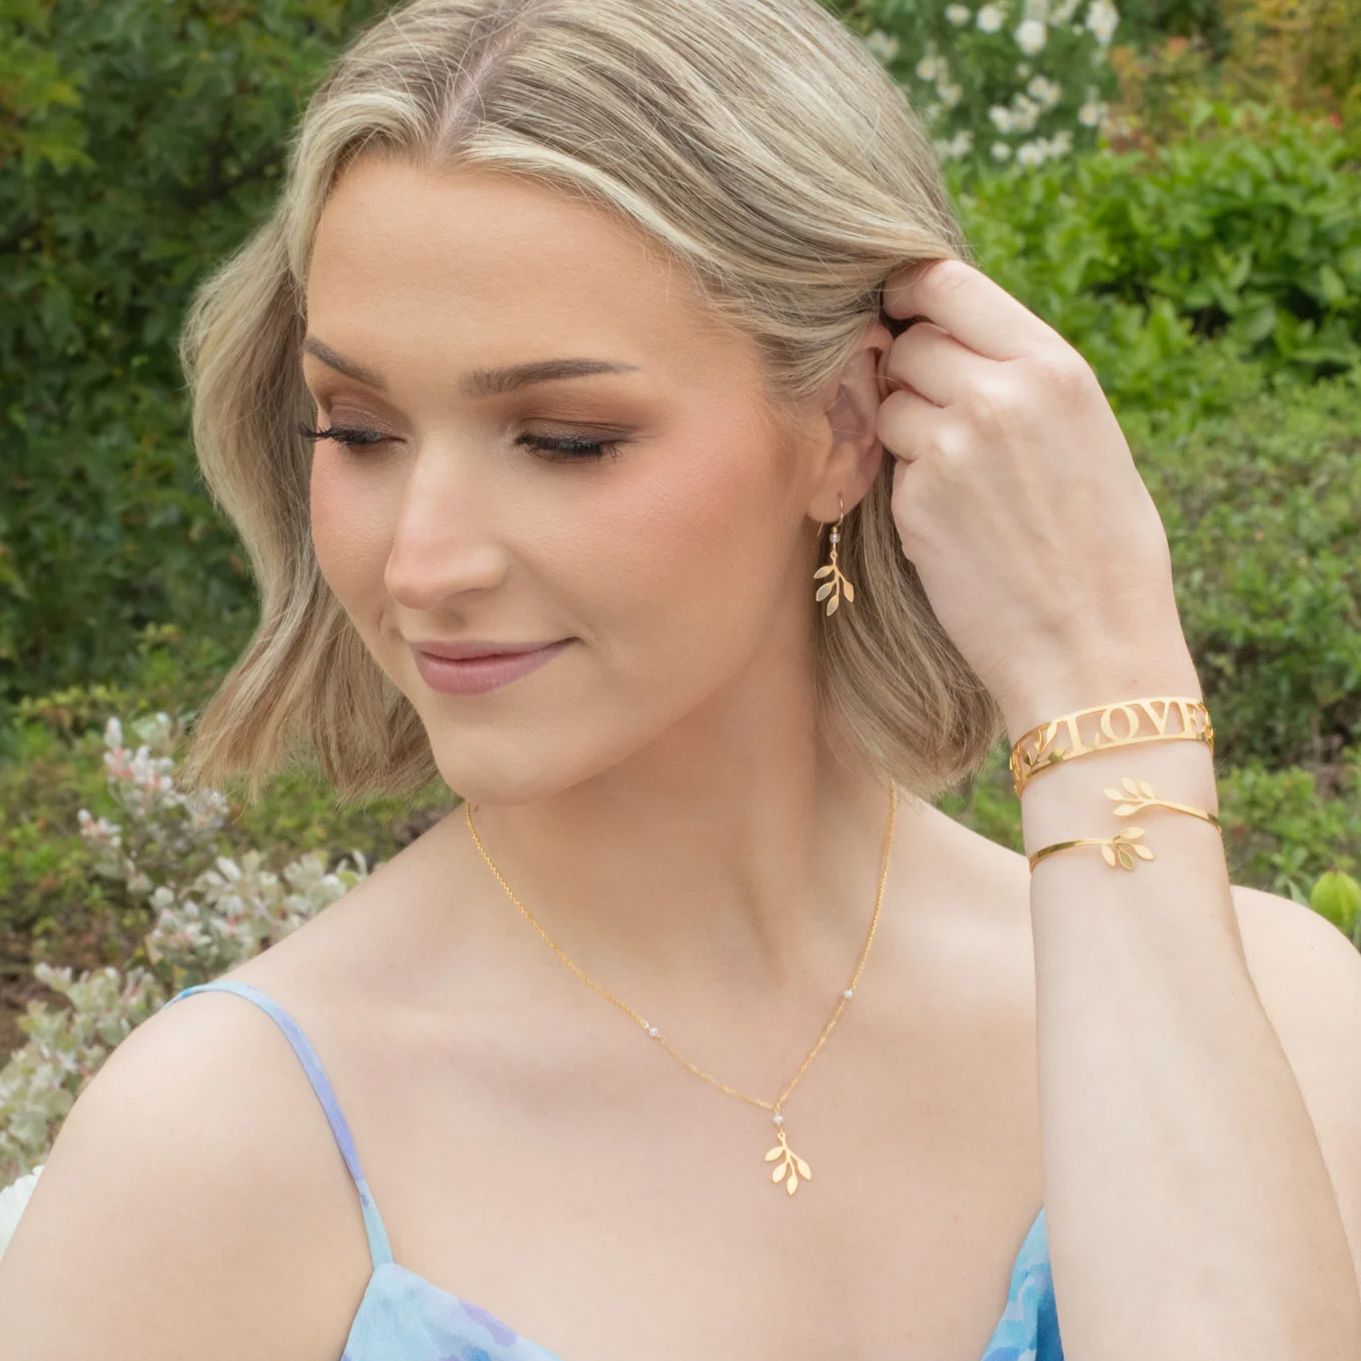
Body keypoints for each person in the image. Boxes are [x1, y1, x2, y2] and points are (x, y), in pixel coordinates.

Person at [10, 0, 1358, 1358]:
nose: (420, 561)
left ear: (845, 423)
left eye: (564, 438)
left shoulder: (1272, 1014)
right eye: (357, 429)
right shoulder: (220, 1151)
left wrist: (1100, 685)